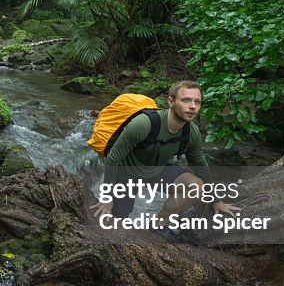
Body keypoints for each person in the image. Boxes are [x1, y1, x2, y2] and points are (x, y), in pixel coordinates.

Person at [91, 80, 240, 220]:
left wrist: (217, 201)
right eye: (186, 100)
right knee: (118, 218)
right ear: (171, 102)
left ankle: (158, 224)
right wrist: (108, 197)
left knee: (195, 187)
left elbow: (200, 166)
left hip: (156, 170)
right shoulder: (143, 124)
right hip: (127, 172)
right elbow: (113, 158)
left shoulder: (191, 133)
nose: (193, 106)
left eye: (197, 102)